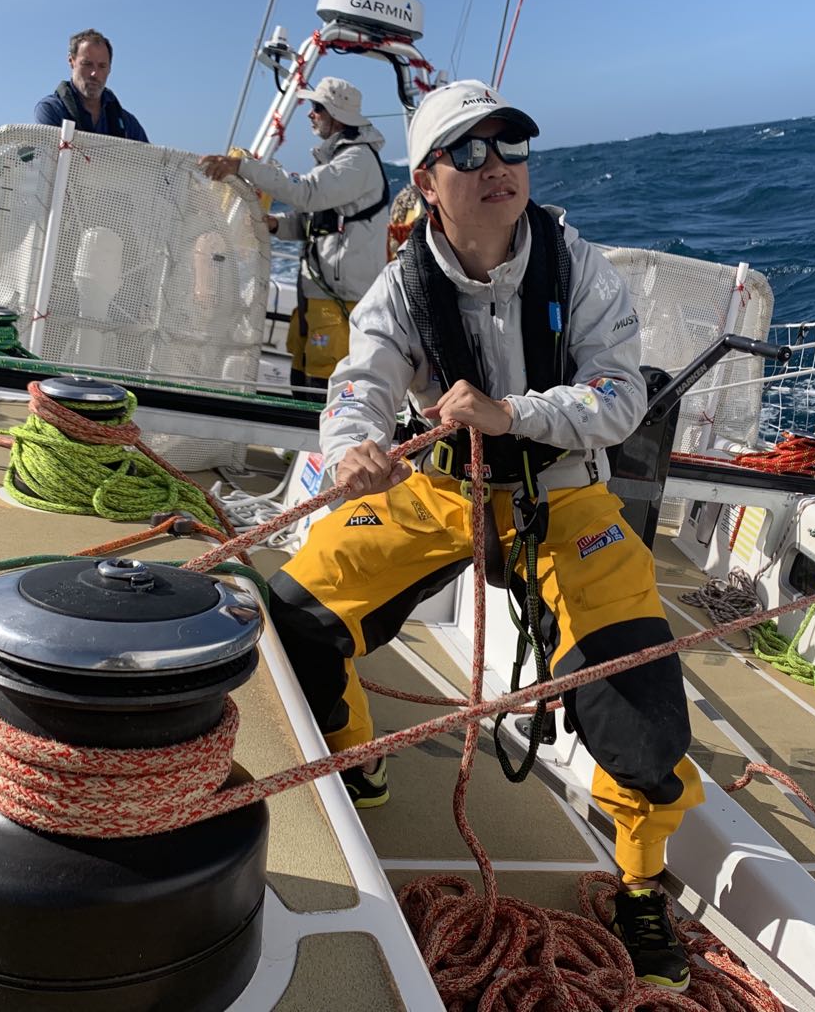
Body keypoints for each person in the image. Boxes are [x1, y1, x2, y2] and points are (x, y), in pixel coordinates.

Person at [264, 79, 704, 991]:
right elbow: (359, 385)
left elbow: (620, 396)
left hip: (565, 498)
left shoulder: (578, 268)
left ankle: (640, 886)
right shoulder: (401, 287)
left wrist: (514, 415)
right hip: (439, 491)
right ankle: (355, 759)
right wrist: (351, 450)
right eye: (468, 151)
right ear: (426, 182)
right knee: (294, 612)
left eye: (511, 146)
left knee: (638, 702)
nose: (496, 165)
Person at [199, 77, 390, 396]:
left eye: (317, 107)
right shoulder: (340, 159)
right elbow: (315, 222)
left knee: (323, 385)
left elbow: (306, 193)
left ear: (336, 114)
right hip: (319, 294)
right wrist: (276, 225)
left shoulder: (357, 160)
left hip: (339, 300)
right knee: (303, 377)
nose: (310, 113)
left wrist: (242, 167)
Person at [34, 28, 149, 142]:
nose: (94, 73)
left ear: (110, 68)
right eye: (87, 64)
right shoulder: (52, 110)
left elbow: (148, 155)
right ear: (71, 61)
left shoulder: (128, 124)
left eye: (102, 66)